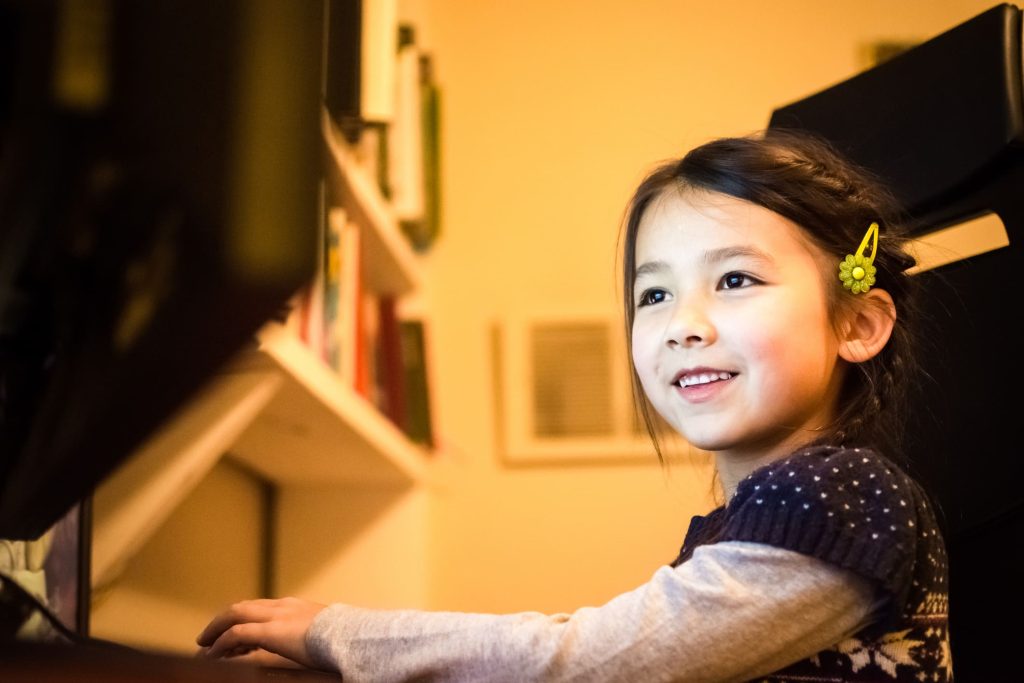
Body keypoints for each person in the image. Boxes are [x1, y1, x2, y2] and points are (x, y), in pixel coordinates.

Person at [196, 130, 952, 682]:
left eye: (735, 280)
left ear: (858, 324)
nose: (683, 323)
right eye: (653, 293)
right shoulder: (766, 515)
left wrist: (337, 631)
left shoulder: (843, 493)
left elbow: (591, 659)